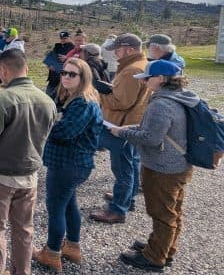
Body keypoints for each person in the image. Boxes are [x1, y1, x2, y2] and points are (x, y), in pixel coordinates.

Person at [0, 49, 56, 275]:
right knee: (24, 229)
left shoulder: (1, 100)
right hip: (30, 174)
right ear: (25, 67)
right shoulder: (47, 100)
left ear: (3, 69)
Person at [109, 60, 195, 272]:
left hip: (163, 167)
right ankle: (165, 248)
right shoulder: (181, 97)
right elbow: (159, 129)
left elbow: (151, 138)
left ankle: (155, 257)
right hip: (180, 164)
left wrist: (122, 132)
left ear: (162, 79)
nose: (146, 82)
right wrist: (134, 127)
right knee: (173, 210)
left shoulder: (161, 104)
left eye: (148, 78)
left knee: (161, 212)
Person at [32, 58, 103, 272]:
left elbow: (65, 132)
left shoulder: (83, 102)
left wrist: (41, 122)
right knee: (69, 205)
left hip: (68, 165)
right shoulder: (75, 99)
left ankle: (52, 253)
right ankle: (72, 246)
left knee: (56, 209)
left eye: (72, 74)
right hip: (70, 164)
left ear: (84, 78)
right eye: (64, 73)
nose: (65, 77)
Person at [90, 33, 150, 224]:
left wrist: (100, 92)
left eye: (118, 49)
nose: (115, 53)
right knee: (131, 163)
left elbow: (121, 102)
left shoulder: (130, 70)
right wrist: (110, 87)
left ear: (130, 49)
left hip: (121, 125)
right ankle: (127, 199)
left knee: (123, 169)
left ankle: (118, 210)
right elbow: (128, 96)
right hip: (133, 122)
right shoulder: (142, 65)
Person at [44, 31, 75, 97]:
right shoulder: (57, 47)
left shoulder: (73, 48)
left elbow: (77, 61)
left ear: (70, 38)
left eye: (65, 38)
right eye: (62, 38)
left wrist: (67, 58)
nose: (63, 40)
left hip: (64, 77)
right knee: (48, 96)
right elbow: (50, 59)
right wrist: (49, 65)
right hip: (53, 77)